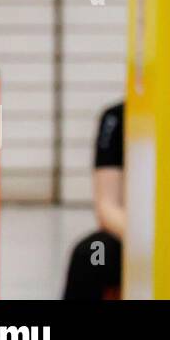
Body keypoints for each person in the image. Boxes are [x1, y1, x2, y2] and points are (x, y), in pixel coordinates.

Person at [62, 102, 125, 300]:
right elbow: (107, 206)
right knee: (92, 254)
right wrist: (144, 238)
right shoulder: (116, 118)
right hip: (131, 233)